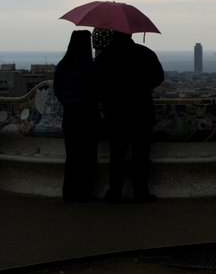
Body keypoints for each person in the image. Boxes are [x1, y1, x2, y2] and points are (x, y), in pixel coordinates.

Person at [94, 31, 164, 204]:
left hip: (115, 112)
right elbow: (158, 77)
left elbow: (96, 81)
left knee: (117, 155)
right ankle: (141, 193)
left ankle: (114, 193)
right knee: (141, 155)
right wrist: (141, 88)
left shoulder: (105, 57)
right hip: (141, 111)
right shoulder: (145, 53)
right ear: (130, 33)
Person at [54, 30, 101, 202]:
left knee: (72, 154)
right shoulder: (90, 67)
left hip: (70, 114)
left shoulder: (62, 65)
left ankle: (69, 192)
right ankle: (83, 193)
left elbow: (57, 90)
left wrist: (68, 102)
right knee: (87, 155)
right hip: (88, 114)